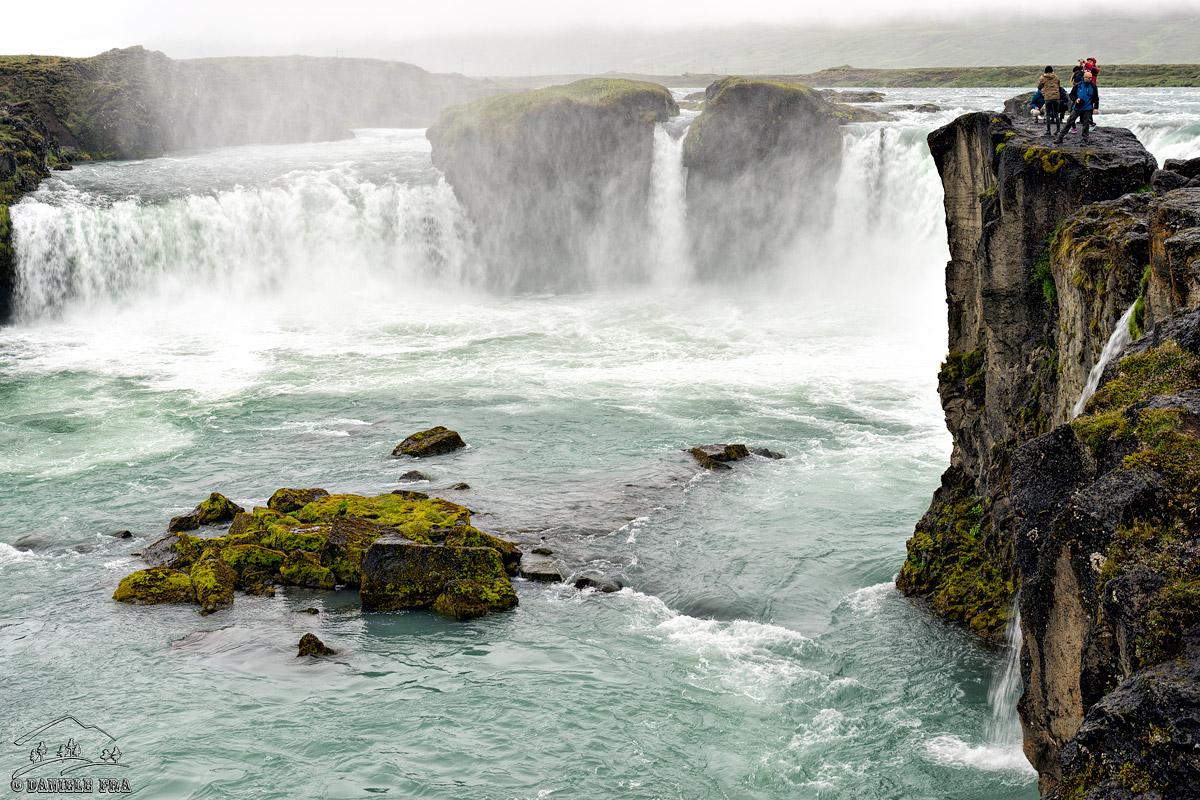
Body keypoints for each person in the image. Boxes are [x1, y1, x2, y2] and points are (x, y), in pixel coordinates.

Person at [1057, 70, 1098, 144]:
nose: (1090, 79)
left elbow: (1096, 98)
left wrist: (1096, 108)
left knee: (1086, 124)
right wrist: (1076, 99)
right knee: (1069, 122)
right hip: (1077, 107)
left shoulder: (1093, 86)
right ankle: (1060, 137)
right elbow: (1071, 95)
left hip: (1088, 108)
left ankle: (1085, 140)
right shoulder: (1078, 85)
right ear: (1084, 77)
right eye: (1088, 78)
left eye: (1091, 78)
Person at [1036, 66, 1062, 136]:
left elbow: (1039, 87)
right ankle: (1058, 130)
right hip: (1056, 97)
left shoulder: (1043, 78)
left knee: (1047, 114)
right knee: (1056, 114)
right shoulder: (1056, 77)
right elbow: (1059, 86)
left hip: (1048, 98)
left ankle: (1048, 131)